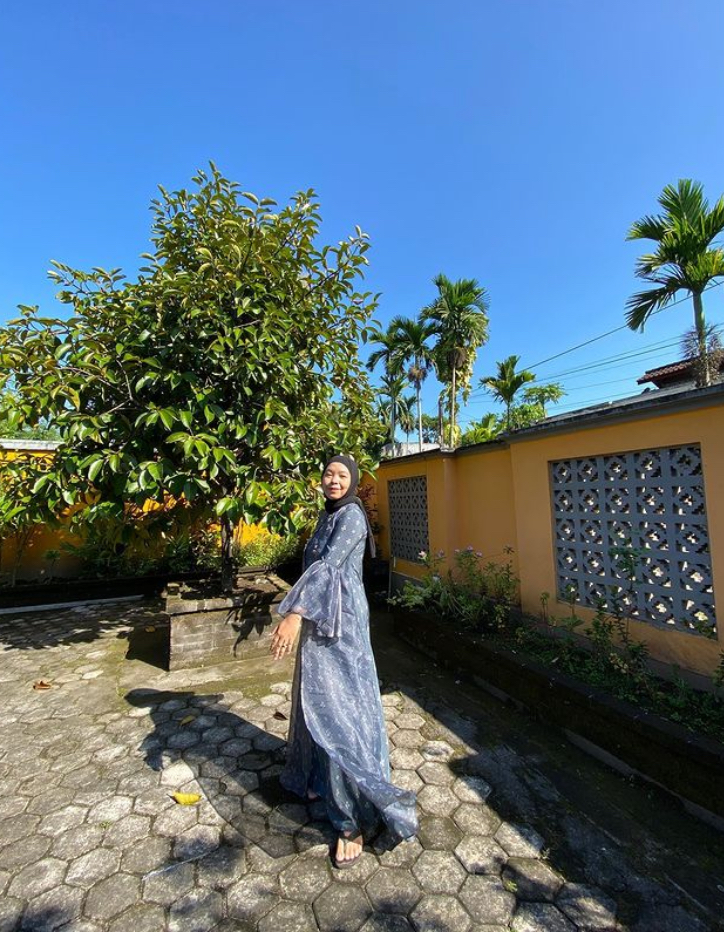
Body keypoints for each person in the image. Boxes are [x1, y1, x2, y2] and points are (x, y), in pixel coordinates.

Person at [270, 454, 419, 867]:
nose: (333, 481)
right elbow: (313, 570)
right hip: (322, 618)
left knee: (337, 709)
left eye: (342, 476)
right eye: (328, 474)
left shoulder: (350, 516)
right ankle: (318, 778)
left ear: (352, 483)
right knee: (315, 701)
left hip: (342, 627)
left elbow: (328, 568)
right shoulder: (327, 515)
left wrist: (293, 615)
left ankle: (351, 819)